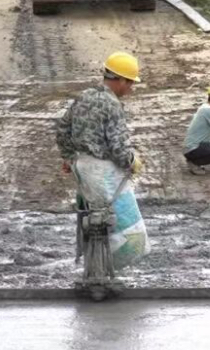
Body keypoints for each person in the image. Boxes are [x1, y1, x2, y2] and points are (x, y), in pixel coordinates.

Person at [57, 52, 149, 268]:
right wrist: (132, 161)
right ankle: (118, 261)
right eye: (130, 83)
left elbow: (62, 129)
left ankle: (92, 264)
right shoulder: (112, 105)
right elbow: (118, 149)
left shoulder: (83, 97)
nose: (130, 89)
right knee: (117, 217)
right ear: (121, 80)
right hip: (103, 171)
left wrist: (69, 157)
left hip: (82, 168)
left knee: (90, 213)